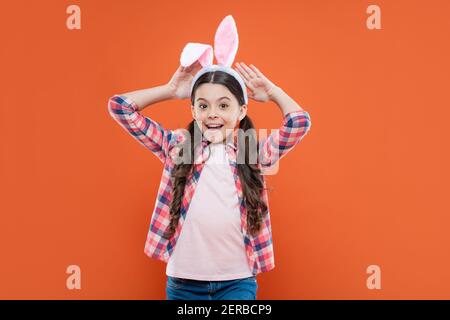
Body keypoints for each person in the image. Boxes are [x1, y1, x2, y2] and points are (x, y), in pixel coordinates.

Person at [107, 15, 312, 300]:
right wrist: (170, 91)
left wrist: (275, 93)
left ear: (241, 111)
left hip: (237, 281)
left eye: (224, 105)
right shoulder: (178, 147)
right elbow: (121, 108)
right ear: (193, 111)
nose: (213, 113)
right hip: (183, 282)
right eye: (203, 105)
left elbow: (298, 124)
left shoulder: (251, 152)